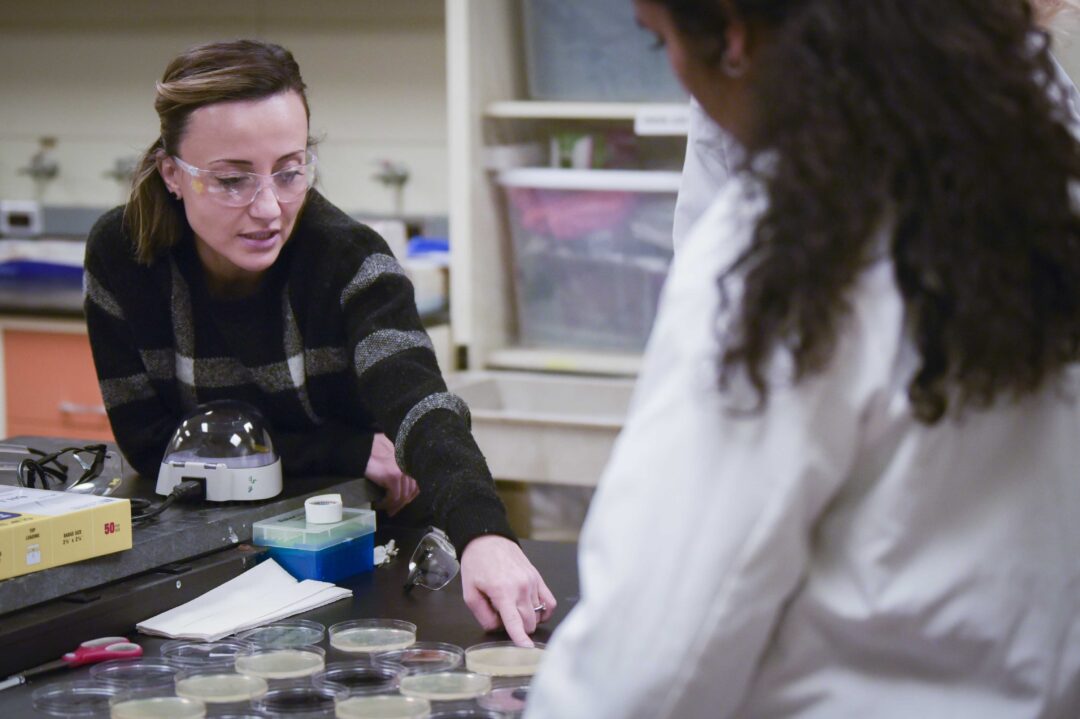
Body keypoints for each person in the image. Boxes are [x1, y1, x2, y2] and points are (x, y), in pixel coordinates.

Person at [526, 0, 1080, 716]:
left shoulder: (789, 246)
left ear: (733, 33)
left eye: (660, 40)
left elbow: (647, 667)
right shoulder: (1047, 176)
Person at [83, 39, 555, 645]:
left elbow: (419, 403)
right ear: (173, 174)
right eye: (232, 180)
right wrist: (346, 449)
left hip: (368, 546)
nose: (269, 208)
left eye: (289, 171)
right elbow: (153, 447)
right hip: (210, 566)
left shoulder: (347, 259)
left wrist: (484, 535)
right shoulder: (122, 256)